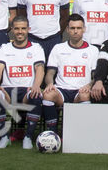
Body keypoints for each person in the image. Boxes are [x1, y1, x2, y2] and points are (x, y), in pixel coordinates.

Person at [36, 14, 100, 142]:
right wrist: (49, 84)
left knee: (85, 96)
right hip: (62, 90)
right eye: (72, 28)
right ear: (67, 29)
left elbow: (95, 76)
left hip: (80, 91)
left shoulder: (93, 50)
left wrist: (89, 85)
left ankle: (81, 134)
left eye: (78, 28)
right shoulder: (58, 48)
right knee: (48, 95)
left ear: (84, 29)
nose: (75, 31)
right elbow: (50, 73)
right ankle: (52, 134)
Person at [0, 15, 44, 148]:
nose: (20, 32)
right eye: (17, 29)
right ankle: (4, 136)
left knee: (36, 95)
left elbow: (40, 69)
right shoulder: (4, 48)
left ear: (28, 29)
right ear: (12, 30)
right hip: (8, 91)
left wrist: (36, 86)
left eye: (23, 28)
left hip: (27, 90)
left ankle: (28, 137)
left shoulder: (36, 48)